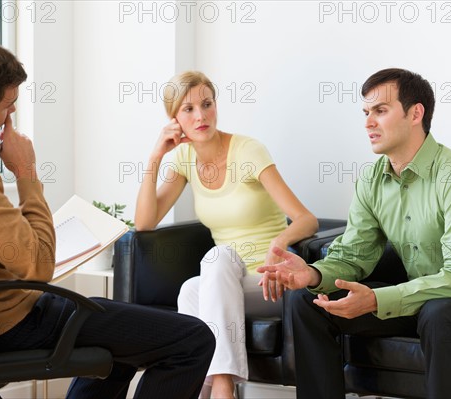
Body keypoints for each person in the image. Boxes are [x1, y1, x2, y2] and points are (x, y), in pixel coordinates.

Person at [0, 39, 215, 399]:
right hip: (7, 324)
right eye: (6, 108)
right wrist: (26, 171)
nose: (10, 118)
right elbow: (40, 266)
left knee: (121, 349)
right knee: (193, 339)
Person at [258, 68, 451, 399]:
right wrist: (311, 274)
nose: (368, 122)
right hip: (417, 300)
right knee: (307, 302)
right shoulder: (371, 180)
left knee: (440, 312)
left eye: (380, 111)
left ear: (415, 113)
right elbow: (354, 254)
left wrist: (379, 299)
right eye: (366, 112)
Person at [135, 71, 318, 398]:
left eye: (207, 104)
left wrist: (279, 243)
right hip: (225, 282)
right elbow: (145, 224)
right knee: (190, 289)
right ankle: (198, 391)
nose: (201, 116)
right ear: (174, 119)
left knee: (216, 259)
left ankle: (223, 387)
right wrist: (154, 157)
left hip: (267, 281)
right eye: (188, 109)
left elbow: (306, 219)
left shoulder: (249, 151)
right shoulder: (183, 160)